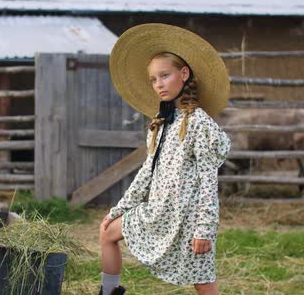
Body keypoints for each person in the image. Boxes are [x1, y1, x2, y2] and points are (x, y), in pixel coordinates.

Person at [99, 23, 232, 295]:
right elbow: (147, 173)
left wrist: (204, 229)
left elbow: (208, 182)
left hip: (188, 219)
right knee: (107, 232)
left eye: (165, 75)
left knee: (203, 282)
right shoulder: (160, 123)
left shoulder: (199, 123)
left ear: (184, 74)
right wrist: (119, 209)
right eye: (153, 79)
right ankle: (107, 292)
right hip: (158, 212)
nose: (159, 84)